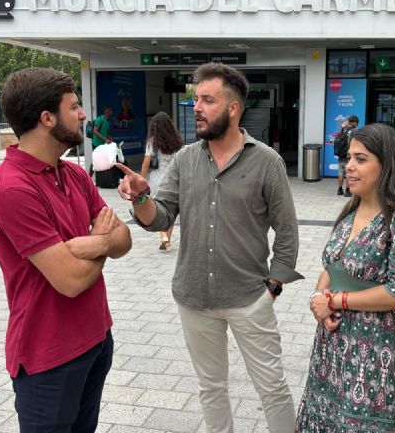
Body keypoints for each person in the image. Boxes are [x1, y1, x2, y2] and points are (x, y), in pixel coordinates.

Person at [117, 62, 302, 433]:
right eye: (195, 98)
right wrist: (140, 198)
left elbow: (287, 233)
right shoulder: (185, 160)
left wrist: (273, 286)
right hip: (194, 297)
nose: (196, 107)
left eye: (207, 100)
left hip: (250, 298)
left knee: (273, 388)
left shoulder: (267, 162)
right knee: (211, 388)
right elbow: (161, 217)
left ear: (233, 108)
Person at [0, 68, 132, 432]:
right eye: (74, 106)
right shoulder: (12, 189)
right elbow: (71, 280)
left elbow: (124, 239)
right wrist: (103, 241)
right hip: (48, 358)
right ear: (47, 119)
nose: (83, 114)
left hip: (96, 340)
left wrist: (94, 242)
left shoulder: (75, 174)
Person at [295, 123, 395, 433]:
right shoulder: (351, 209)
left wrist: (336, 300)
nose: (350, 166)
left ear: (387, 164)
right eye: (349, 158)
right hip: (332, 347)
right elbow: (333, 267)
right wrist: (319, 299)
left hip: (376, 354)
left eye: (361, 158)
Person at [140, 111, 184, 251]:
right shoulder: (177, 139)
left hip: (159, 179)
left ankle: (164, 238)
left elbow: (146, 162)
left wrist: (141, 179)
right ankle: (167, 239)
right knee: (171, 210)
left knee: (159, 209)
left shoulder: (153, 141)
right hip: (175, 179)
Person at [335, 115, 359, 197]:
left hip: (340, 155)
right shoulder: (354, 131)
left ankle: (339, 189)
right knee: (349, 174)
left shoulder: (343, 129)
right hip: (349, 156)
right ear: (355, 122)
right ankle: (347, 191)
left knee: (340, 173)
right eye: (357, 123)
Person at [89, 106, 113, 177]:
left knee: (102, 161)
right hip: (96, 143)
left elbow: (106, 133)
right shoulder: (99, 119)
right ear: (106, 112)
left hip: (103, 144)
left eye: (112, 111)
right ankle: (89, 176)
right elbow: (95, 131)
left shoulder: (108, 122)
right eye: (110, 111)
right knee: (95, 161)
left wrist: (110, 138)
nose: (111, 112)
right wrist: (105, 139)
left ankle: (102, 178)